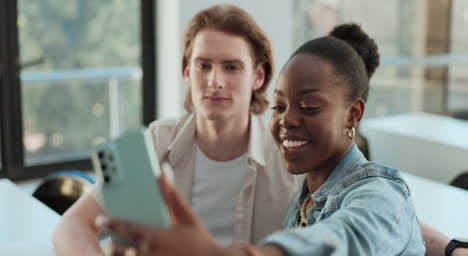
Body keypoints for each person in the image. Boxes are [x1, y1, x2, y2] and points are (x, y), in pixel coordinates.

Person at [96, 23, 427, 255]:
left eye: (309, 106)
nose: (287, 120)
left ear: (353, 114)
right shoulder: (302, 200)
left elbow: (344, 239)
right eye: (279, 106)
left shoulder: (380, 193)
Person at [53, 5, 301, 256]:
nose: (215, 81)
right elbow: (71, 226)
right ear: (187, 73)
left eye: (231, 67)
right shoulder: (158, 140)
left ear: (258, 77)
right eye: (203, 66)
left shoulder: (290, 153)